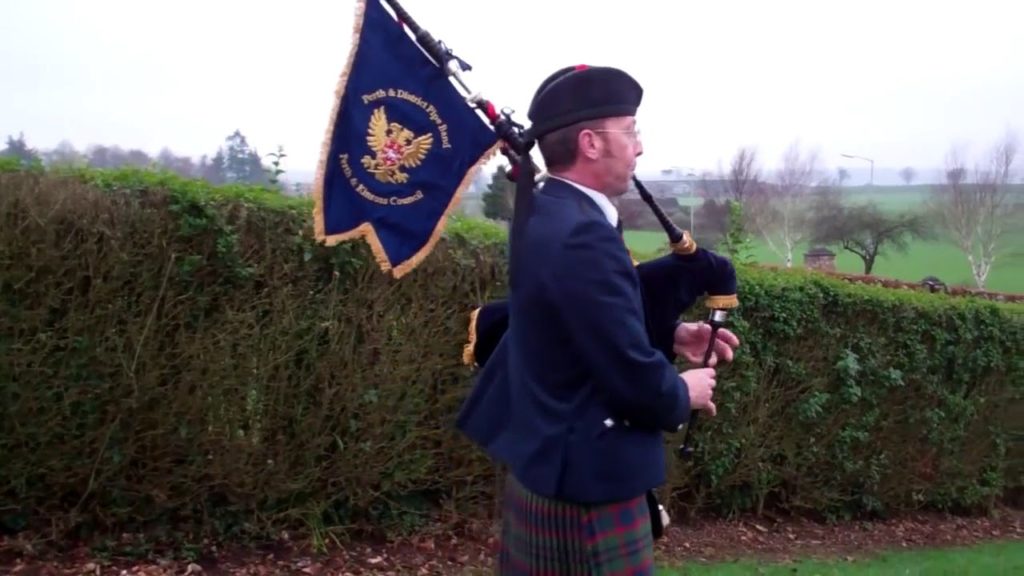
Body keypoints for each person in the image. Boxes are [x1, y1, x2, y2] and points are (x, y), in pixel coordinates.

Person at [455, 64, 740, 575]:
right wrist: (682, 391)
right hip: (587, 485)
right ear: (590, 143)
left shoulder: (547, 210)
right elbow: (628, 372)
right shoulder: (583, 233)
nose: (639, 147)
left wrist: (671, 333)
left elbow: (574, 324)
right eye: (629, 131)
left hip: (552, 467)